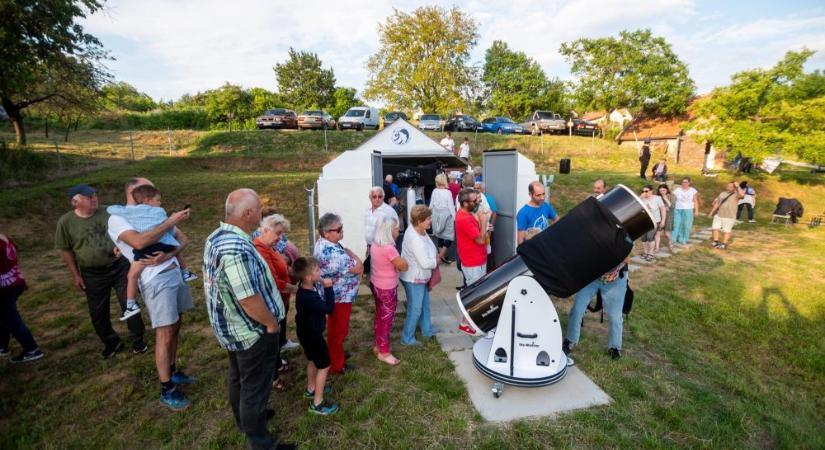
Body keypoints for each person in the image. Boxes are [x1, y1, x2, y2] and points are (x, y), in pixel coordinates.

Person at [204, 189, 293, 449]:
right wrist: (270, 323)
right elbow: (248, 298)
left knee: (238, 377)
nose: (261, 212)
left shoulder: (217, 236)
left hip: (230, 326)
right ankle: (261, 442)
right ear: (247, 213)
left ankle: (247, 420)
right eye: (258, 208)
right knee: (255, 385)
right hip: (251, 331)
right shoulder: (236, 248)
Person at [108, 177, 195, 411]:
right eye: (149, 189)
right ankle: (166, 389)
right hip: (154, 280)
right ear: (135, 192)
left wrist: (168, 255)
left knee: (176, 325)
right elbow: (139, 242)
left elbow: (182, 241)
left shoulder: (155, 215)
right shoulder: (118, 219)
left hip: (173, 272)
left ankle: (173, 371)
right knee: (164, 332)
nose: (156, 193)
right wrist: (169, 222)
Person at [55, 183, 150, 359]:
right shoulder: (66, 222)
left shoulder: (110, 212)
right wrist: (75, 275)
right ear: (75, 202)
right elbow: (66, 250)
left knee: (129, 304)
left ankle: (138, 340)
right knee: (98, 312)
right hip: (92, 273)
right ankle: (112, 343)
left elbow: (129, 229)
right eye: (88, 197)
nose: (94, 199)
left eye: (94, 195)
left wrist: (121, 247)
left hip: (119, 267)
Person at [106, 184, 195, 322]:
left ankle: (131, 304)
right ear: (147, 200)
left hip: (147, 252)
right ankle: (186, 272)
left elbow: (114, 209)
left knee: (132, 275)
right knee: (175, 248)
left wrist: (111, 208)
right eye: (158, 199)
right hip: (160, 248)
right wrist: (173, 220)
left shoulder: (129, 213)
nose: (160, 202)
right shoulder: (158, 211)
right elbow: (168, 229)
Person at [314, 213, 363, 375]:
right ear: (326, 232)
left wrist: (348, 254)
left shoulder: (325, 243)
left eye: (342, 228)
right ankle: (337, 365)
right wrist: (353, 255)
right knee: (338, 331)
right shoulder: (332, 252)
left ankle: (336, 353)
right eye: (338, 229)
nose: (342, 232)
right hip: (339, 297)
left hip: (335, 295)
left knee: (335, 329)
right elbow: (358, 267)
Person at [253, 214, 297, 390]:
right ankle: (273, 378)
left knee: (278, 338)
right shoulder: (260, 250)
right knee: (271, 342)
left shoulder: (270, 247)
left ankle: (278, 364)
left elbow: (282, 268)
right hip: (271, 303)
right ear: (265, 230)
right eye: (278, 233)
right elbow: (273, 281)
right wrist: (296, 289)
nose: (280, 237)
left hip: (281, 301)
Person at [293, 256, 339, 416]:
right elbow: (329, 308)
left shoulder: (304, 288)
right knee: (324, 365)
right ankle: (317, 404)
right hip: (312, 335)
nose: (320, 272)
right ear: (308, 277)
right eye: (317, 270)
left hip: (305, 332)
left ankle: (311, 388)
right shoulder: (309, 297)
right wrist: (328, 288)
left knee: (312, 359)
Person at [564, 261, 630, 360]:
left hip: (616, 278)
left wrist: (616, 269)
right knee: (578, 309)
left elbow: (627, 254)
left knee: (614, 316)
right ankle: (570, 340)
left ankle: (614, 347)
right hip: (592, 274)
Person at [369, 219, 408, 365]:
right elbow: (403, 266)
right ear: (389, 231)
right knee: (386, 320)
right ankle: (384, 352)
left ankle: (377, 345)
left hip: (376, 284)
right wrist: (402, 263)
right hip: (387, 288)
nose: (398, 232)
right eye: (397, 229)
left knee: (379, 316)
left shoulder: (374, 244)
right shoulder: (389, 249)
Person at [0, 233, 43, 363]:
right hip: (14, 281)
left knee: (11, 319)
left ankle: (31, 349)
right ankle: (2, 346)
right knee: (4, 316)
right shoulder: (2, 236)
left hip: (4, 287)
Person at [399, 205, 438, 346]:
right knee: (415, 308)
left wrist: (433, 257)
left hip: (420, 277)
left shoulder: (420, 230)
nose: (430, 221)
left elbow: (430, 249)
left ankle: (427, 330)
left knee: (425, 305)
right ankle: (407, 338)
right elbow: (425, 263)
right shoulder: (414, 238)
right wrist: (436, 261)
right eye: (428, 219)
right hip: (413, 278)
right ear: (420, 221)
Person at [455, 189, 491, 336]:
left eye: (478, 200)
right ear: (465, 203)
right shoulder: (464, 219)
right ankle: (466, 323)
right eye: (475, 201)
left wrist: (484, 227)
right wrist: (483, 223)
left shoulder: (468, 214)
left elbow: (479, 236)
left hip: (477, 259)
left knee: (475, 293)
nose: (478, 203)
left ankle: (469, 321)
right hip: (473, 262)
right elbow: (481, 240)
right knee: (474, 295)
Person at [364, 186, 400, 270]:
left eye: (380, 196)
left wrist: (392, 252)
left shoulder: (389, 211)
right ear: (370, 198)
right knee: (373, 272)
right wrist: (368, 247)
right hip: (371, 247)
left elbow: (395, 232)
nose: (377, 199)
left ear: (383, 197)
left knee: (384, 272)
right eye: (374, 196)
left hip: (384, 248)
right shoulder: (367, 211)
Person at [708, 181, 744, 250]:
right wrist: (711, 212)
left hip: (729, 216)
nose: (728, 188)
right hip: (719, 214)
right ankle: (716, 242)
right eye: (728, 186)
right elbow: (717, 203)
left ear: (734, 188)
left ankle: (724, 244)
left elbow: (742, 195)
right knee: (715, 228)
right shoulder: (722, 193)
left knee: (726, 231)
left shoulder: (736, 194)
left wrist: (738, 186)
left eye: (731, 187)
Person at [429, 174, 456, 264]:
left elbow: (431, 205)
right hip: (446, 216)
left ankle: (441, 256)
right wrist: (456, 218)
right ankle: (440, 257)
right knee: (450, 237)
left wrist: (428, 216)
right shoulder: (447, 192)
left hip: (436, 215)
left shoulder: (434, 191)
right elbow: (451, 207)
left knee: (440, 236)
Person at [640, 185, 667, 261]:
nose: (645, 193)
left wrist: (663, 221)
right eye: (643, 191)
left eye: (646, 191)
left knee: (650, 237)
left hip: (655, 221)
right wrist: (641, 197)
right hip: (644, 221)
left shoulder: (657, 198)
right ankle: (645, 252)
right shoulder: (642, 199)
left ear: (651, 191)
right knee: (644, 238)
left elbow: (663, 209)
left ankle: (650, 253)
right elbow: (634, 206)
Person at [672, 177, 699, 244]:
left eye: (686, 182)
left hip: (688, 209)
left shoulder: (693, 190)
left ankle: (684, 238)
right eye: (683, 182)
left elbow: (695, 201)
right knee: (677, 224)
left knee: (687, 225)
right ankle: (674, 239)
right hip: (678, 209)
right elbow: (672, 197)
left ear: (689, 183)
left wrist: (696, 210)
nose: (684, 183)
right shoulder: (677, 190)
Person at [657, 184, 676, 253]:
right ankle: (656, 248)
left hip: (668, 216)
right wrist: (663, 208)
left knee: (667, 233)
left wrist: (665, 199)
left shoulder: (672, 196)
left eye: (663, 190)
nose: (662, 192)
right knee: (657, 233)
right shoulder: (657, 197)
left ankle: (671, 245)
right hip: (659, 216)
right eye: (660, 190)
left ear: (667, 189)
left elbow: (672, 207)